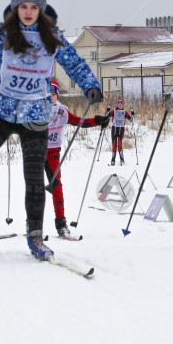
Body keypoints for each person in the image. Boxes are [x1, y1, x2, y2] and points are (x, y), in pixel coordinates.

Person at [0, 0, 103, 260]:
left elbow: (75, 63)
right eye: (23, 7)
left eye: (33, 7)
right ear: (15, 8)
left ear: (40, 10)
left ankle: (35, 236)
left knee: (33, 178)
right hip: (0, 111)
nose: (28, 12)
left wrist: (90, 84)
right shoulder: (1, 32)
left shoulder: (51, 36)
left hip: (36, 115)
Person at [46, 79, 109, 237]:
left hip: (52, 154)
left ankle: (61, 224)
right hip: (35, 152)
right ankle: (31, 225)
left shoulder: (62, 111)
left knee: (57, 188)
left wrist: (97, 120)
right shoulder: (35, 109)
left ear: (57, 95)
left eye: (53, 94)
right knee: (32, 187)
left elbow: (80, 122)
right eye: (47, 94)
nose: (50, 98)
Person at [108, 99, 134, 166]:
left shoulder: (125, 112)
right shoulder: (114, 111)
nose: (120, 104)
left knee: (119, 144)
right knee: (114, 145)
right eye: (118, 103)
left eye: (121, 103)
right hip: (114, 130)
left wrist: (132, 114)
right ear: (117, 104)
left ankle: (122, 159)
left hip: (121, 130)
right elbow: (106, 116)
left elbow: (131, 120)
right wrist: (107, 110)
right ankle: (113, 159)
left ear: (123, 104)